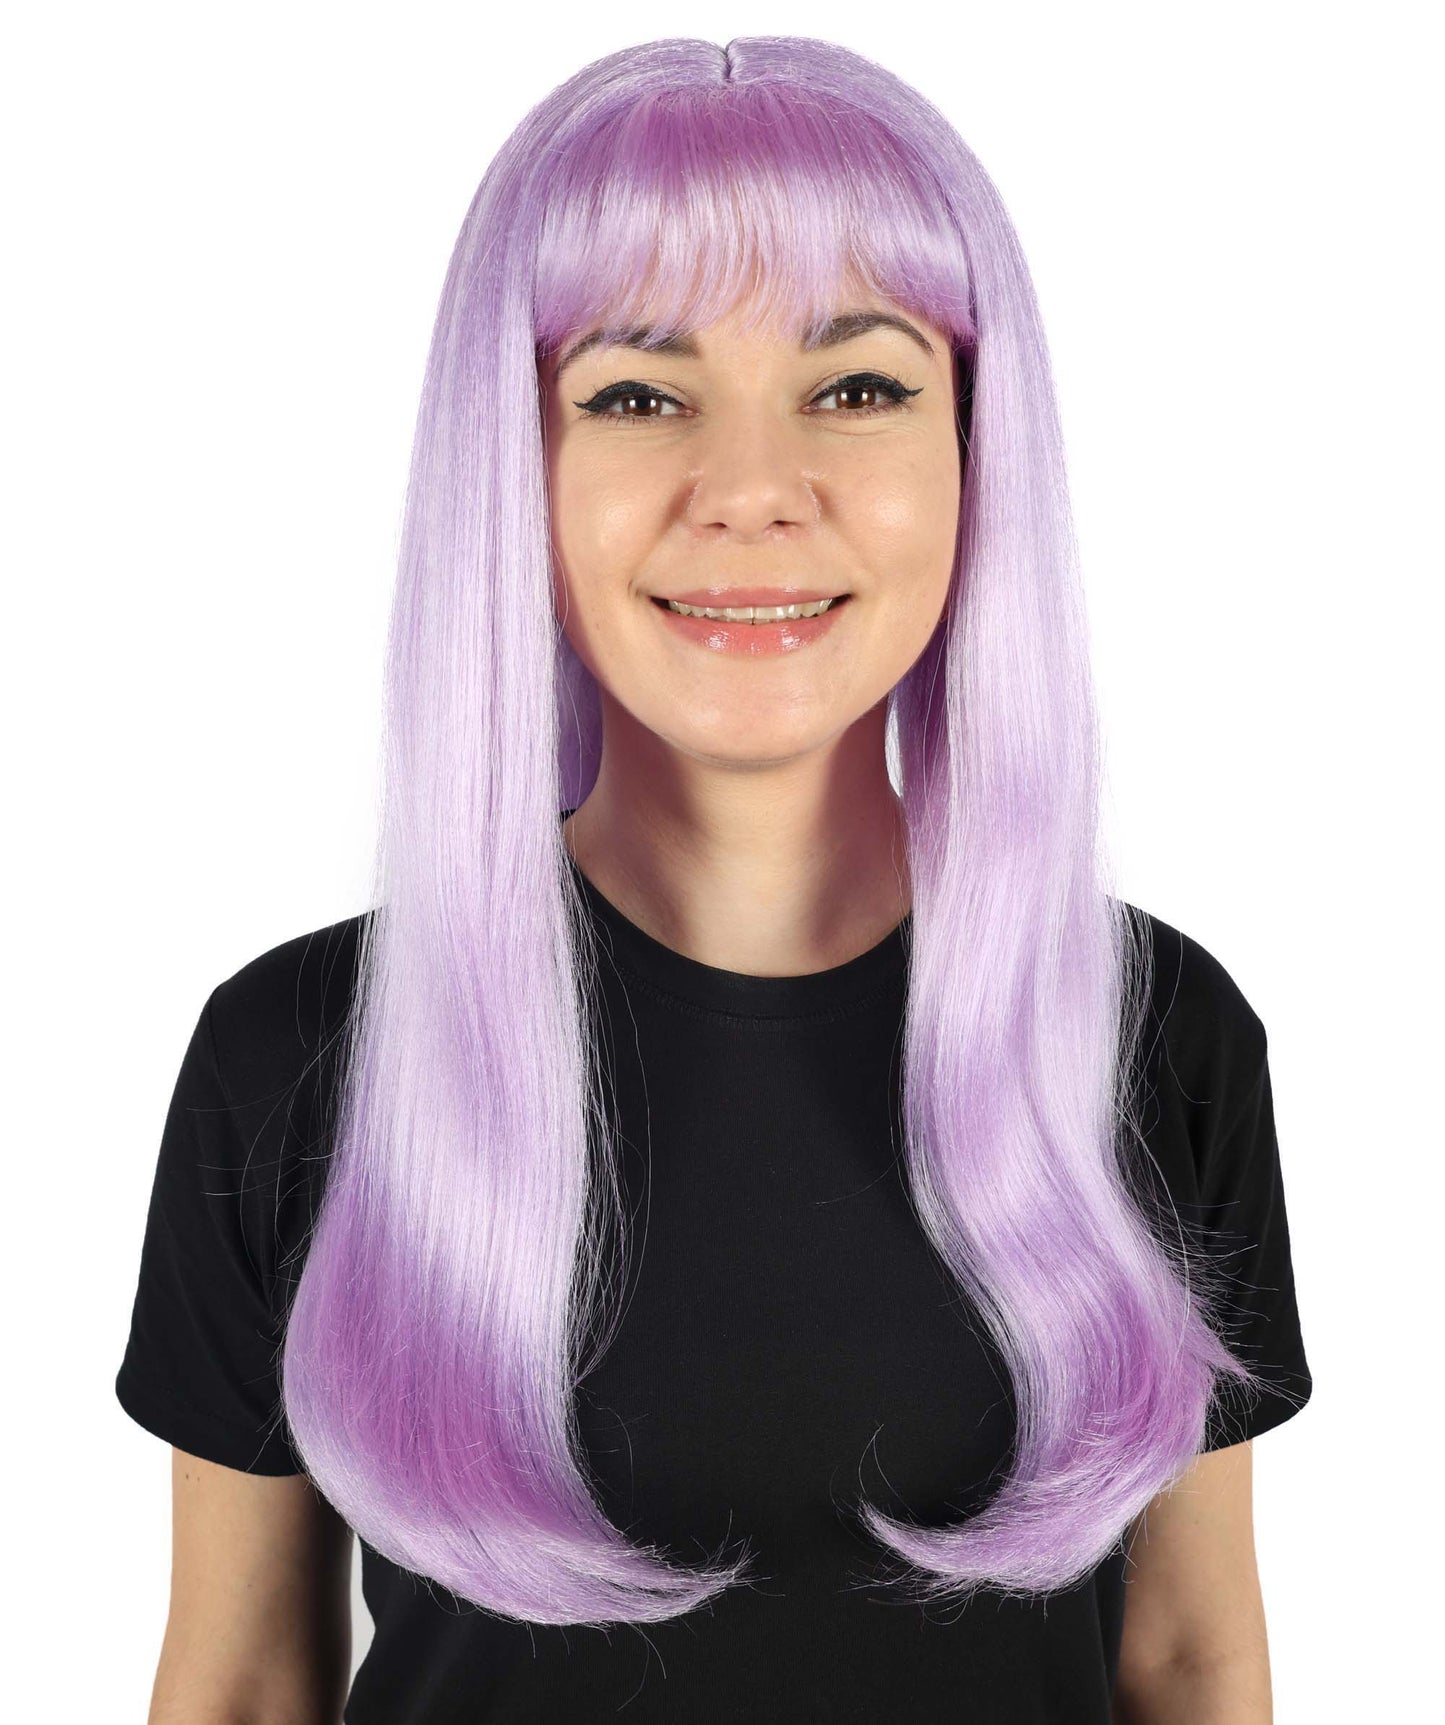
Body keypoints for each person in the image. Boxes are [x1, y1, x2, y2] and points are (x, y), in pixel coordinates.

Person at [114, 34, 1313, 1725]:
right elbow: (241, 1683)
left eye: (857, 386)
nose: (750, 491)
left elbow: (1188, 1656)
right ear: (512, 467)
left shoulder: (1148, 1032)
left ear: (977, 452)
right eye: (634, 394)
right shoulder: (302, 1050)